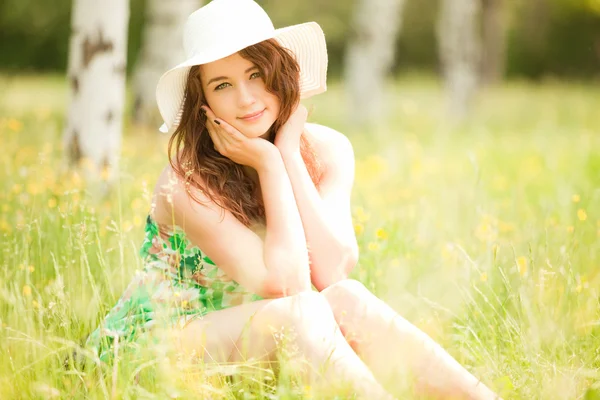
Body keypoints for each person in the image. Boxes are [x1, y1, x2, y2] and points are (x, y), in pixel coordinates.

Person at [86, 0, 500, 398]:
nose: (246, 98)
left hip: (261, 333)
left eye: (256, 74)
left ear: (281, 72)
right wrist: (268, 165)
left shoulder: (328, 150)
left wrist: (287, 155)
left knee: (348, 298)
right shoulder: (185, 184)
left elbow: (332, 270)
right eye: (222, 85)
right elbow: (286, 287)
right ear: (203, 102)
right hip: (163, 346)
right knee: (302, 313)